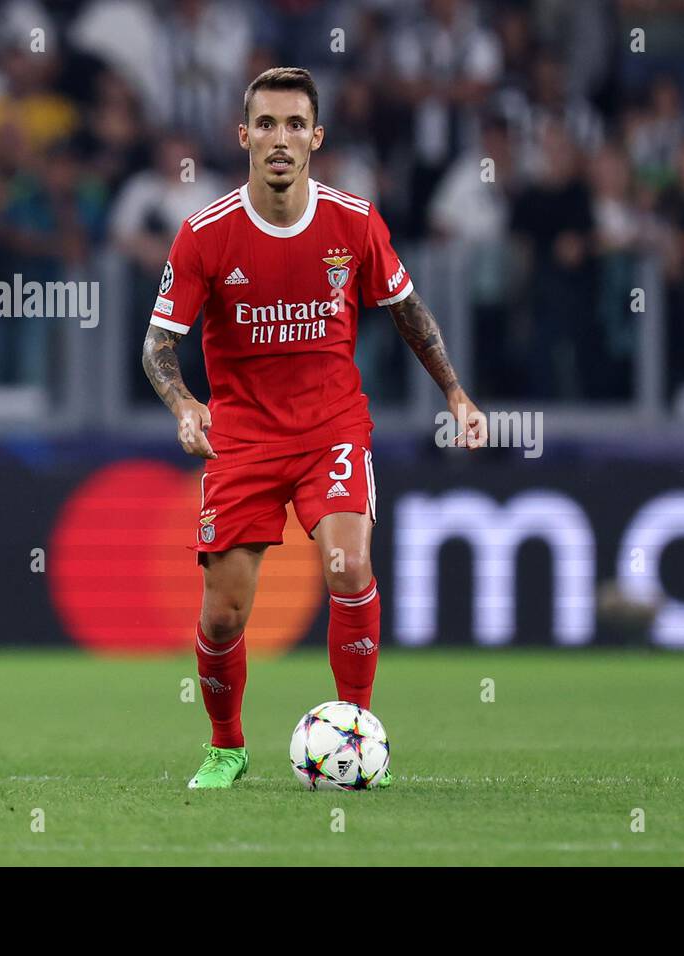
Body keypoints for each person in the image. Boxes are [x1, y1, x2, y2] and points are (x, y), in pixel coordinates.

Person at [141, 67, 486, 790]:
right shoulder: (205, 236)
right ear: (243, 137)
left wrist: (455, 394)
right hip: (241, 438)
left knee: (347, 565)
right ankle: (227, 746)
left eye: (295, 125)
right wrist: (183, 406)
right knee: (226, 615)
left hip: (331, 427)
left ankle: (357, 732)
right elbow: (157, 344)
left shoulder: (353, 221)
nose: (280, 138)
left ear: (316, 138)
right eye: (265, 124)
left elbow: (408, 311)